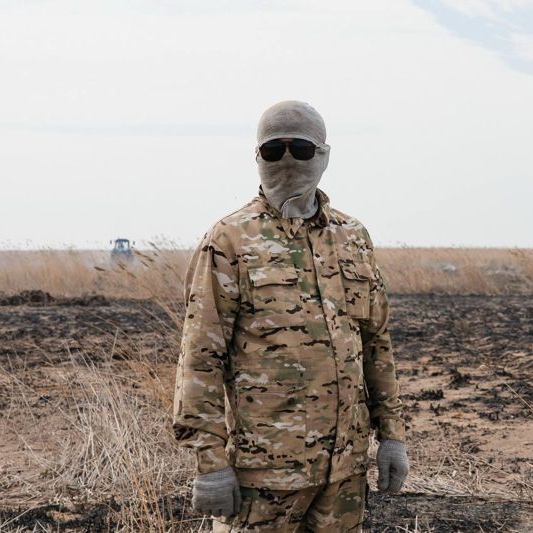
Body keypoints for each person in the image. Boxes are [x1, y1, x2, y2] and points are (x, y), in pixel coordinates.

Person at [172, 100, 409, 532]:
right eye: (272, 150)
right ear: (256, 157)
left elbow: (376, 343)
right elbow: (200, 357)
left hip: (344, 474)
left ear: (323, 155)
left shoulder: (353, 238)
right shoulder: (229, 240)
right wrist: (210, 463)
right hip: (264, 476)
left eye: (299, 149)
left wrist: (391, 435)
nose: (286, 161)